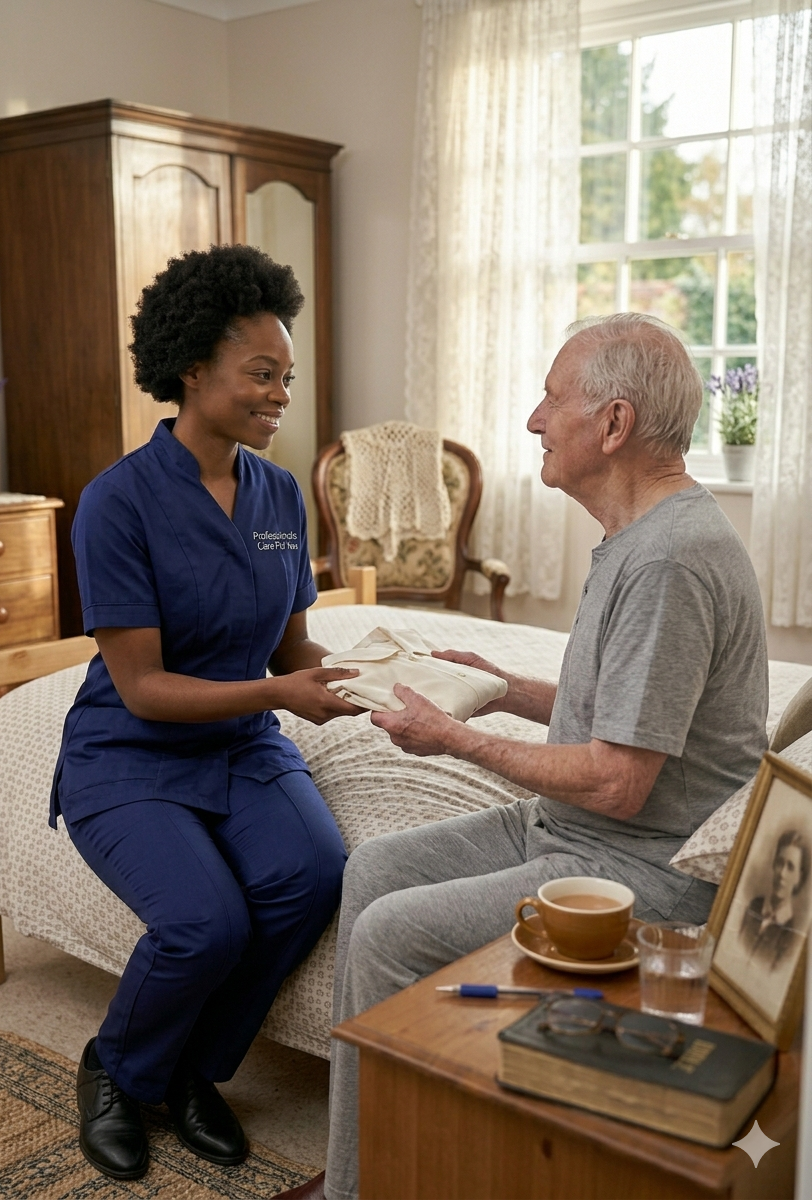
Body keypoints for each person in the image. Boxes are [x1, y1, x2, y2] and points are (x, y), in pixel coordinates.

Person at [277, 312, 769, 1200]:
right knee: (375, 869)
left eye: (551, 397)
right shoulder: (640, 537)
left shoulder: (670, 561)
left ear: (613, 425)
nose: (535, 420)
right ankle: (366, 1161)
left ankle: (369, 1187)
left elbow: (620, 780)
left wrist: (454, 736)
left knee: (393, 930)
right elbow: (621, 714)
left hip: (647, 867)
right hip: (575, 829)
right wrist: (500, 686)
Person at [50, 244, 362, 1182]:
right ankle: (115, 1070)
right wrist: (281, 693)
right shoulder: (117, 504)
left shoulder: (277, 493)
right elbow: (143, 686)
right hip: (131, 750)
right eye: (260, 375)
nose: (280, 396)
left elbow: (290, 648)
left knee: (312, 875)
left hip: (240, 743)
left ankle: (190, 1074)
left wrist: (368, 678)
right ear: (193, 369)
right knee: (206, 922)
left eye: (287, 378)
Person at [740, 830, 810, 969]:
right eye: (780, 863)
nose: (782, 874)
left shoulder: (791, 936)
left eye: (790, 867)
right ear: (773, 865)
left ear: (799, 877)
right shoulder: (753, 906)